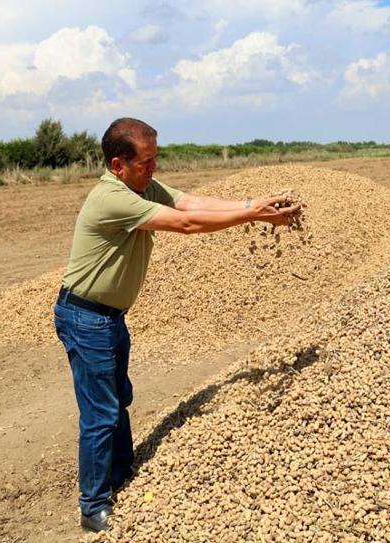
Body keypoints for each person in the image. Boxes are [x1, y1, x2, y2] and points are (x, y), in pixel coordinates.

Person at [53, 118, 299, 533]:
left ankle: (121, 475)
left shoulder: (142, 186)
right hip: (85, 316)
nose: (154, 169)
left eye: (155, 159)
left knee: (118, 399)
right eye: (146, 162)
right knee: (101, 412)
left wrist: (253, 205)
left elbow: (189, 203)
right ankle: (93, 505)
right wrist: (251, 216)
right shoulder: (112, 199)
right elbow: (185, 224)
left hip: (108, 316)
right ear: (118, 164)